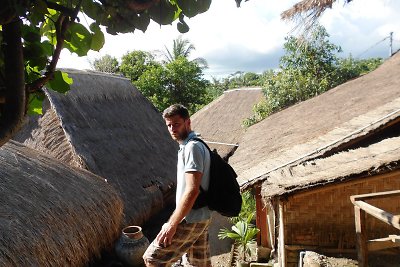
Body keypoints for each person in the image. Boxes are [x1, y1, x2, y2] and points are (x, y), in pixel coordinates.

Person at [143, 104, 211, 267]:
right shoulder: (189, 146)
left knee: (152, 259)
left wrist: (172, 224)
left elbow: (192, 190)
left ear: (188, 122)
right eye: (169, 125)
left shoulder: (192, 147)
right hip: (201, 217)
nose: (172, 128)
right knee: (197, 264)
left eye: (176, 124)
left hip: (191, 217)